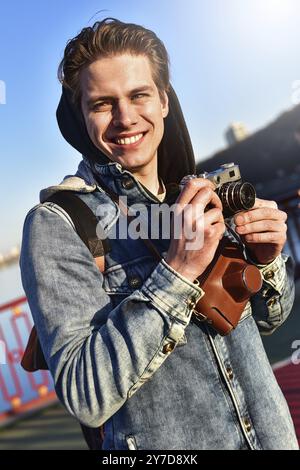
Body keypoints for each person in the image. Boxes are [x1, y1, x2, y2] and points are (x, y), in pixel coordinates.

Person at [20, 18, 298, 450]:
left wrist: (267, 261)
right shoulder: (59, 223)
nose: (125, 117)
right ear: (81, 117)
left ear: (164, 101)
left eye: (138, 95)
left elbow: (269, 320)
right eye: (102, 104)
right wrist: (179, 268)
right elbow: (85, 396)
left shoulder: (202, 193)